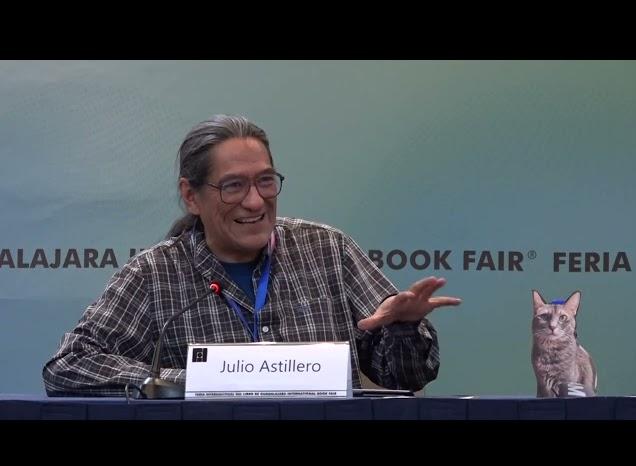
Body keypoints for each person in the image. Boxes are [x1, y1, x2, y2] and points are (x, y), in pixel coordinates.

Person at [42, 114, 461, 396]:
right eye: (234, 186)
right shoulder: (155, 274)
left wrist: (404, 329)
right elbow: (68, 366)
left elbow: (406, 378)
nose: (256, 202)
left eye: (265, 181)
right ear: (191, 195)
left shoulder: (327, 250)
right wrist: (187, 383)